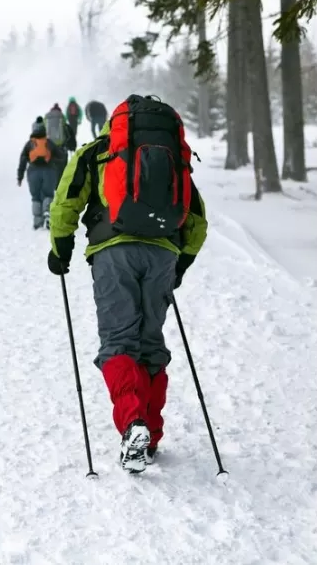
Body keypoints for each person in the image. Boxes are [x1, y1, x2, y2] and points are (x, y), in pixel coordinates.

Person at [46, 94, 208, 474]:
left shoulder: (98, 151)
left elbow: (66, 200)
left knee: (118, 341)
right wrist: (180, 263)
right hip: (163, 254)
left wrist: (61, 247)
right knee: (150, 342)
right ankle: (151, 435)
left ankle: (132, 424)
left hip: (112, 252)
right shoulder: (174, 156)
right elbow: (197, 219)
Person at [18, 117, 66, 230]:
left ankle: (37, 221)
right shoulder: (49, 143)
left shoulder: (30, 144)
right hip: (49, 171)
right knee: (48, 194)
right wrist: (54, 160)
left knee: (36, 197)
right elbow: (61, 157)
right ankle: (47, 212)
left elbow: (23, 159)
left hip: (33, 172)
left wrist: (20, 176)